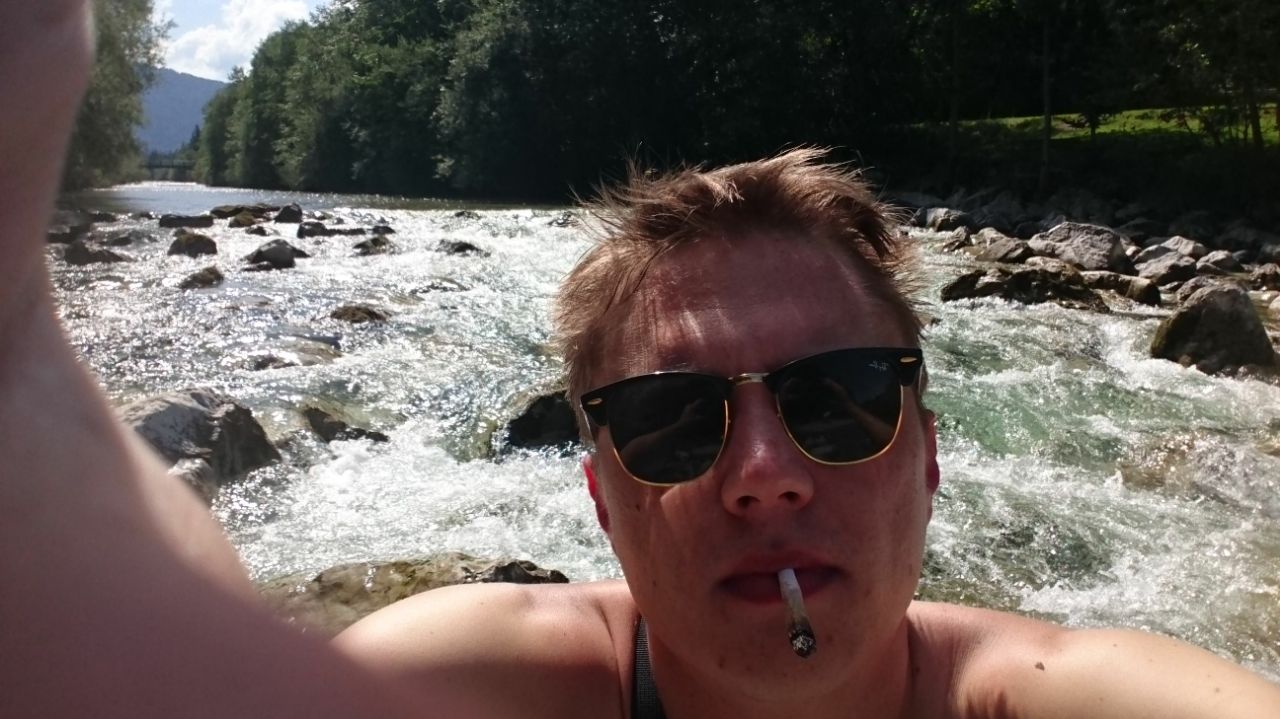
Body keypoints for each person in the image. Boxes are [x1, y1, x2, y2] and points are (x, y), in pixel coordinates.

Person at [2, 3, 1277, 717]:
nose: (764, 472)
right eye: (672, 421)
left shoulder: (1055, 691)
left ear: (929, 455)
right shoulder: (494, 674)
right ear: (601, 495)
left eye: (837, 399)